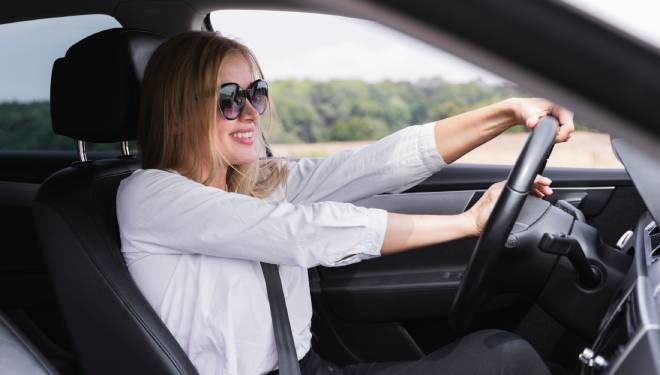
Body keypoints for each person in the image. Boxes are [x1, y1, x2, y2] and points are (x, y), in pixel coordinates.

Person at [116, 31, 574, 375]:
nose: (252, 112)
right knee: (503, 361)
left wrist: (507, 112)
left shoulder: (258, 182)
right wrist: (468, 223)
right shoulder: (150, 196)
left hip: (307, 367)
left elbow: (377, 165)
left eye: (256, 92)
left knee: (500, 358)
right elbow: (302, 232)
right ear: (179, 112)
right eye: (229, 100)